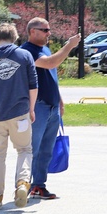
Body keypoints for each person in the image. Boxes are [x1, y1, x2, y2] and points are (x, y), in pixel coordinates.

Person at [0, 23, 38, 209]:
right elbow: (33, 86)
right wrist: (32, 109)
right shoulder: (24, 55)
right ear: (14, 37)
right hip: (20, 114)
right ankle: (22, 183)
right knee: (25, 149)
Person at [21, 18, 81, 201]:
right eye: (45, 30)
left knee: (46, 149)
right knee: (33, 148)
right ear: (33, 31)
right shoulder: (26, 51)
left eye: (49, 29)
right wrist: (70, 46)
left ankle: (39, 185)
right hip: (37, 106)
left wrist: (60, 100)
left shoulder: (44, 49)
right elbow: (50, 63)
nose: (49, 33)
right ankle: (23, 185)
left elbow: (51, 75)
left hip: (52, 105)